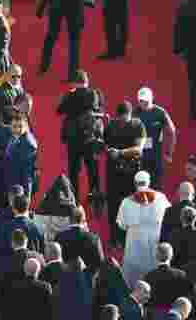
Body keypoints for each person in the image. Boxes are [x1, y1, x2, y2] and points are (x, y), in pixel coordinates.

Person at [37, 0, 93, 82]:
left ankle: (44, 66)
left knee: (51, 35)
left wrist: (43, 5)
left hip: (55, 6)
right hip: (73, 8)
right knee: (74, 41)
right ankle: (72, 74)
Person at [103, 101, 147, 246]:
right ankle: (115, 238)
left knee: (131, 204)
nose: (123, 123)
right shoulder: (110, 126)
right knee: (113, 206)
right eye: (120, 120)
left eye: (125, 120)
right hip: (114, 172)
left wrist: (120, 153)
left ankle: (128, 237)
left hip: (131, 172)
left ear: (130, 115)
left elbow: (139, 149)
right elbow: (105, 145)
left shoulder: (138, 125)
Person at [57, 70, 105, 201]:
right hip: (91, 137)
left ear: (74, 83)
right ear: (86, 81)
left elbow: (59, 110)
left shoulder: (70, 95)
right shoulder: (95, 93)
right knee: (92, 168)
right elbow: (99, 109)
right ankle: (94, 195)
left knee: (73, 170)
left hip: (74, 139)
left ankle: (74, 197)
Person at [117, 171, 171, 287]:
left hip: (134, 248)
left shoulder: (126, 202)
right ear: (149, 182)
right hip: (154, 246)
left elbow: (121, 225)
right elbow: (169, 218)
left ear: (135, 183)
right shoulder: (161, 198)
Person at [132, 87, 177, 189]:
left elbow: (172, 132)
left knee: (157, 187)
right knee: (140, 187)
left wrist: (169, 151)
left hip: (156, 157)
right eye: (141, 101)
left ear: (151, 99)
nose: (143, 104)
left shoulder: (160, 112)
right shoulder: (134, 113)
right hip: (140, 158)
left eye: (146, 101)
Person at [0, 112, 40, 211]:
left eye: (20, 126)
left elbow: (28, 175)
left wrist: (25, 199)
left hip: (18, 193)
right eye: (14, 126)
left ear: (26, 126)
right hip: (8, 188)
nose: (17, 129)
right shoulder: (14, 137)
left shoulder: (28, 144)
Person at [54, 205, 105, 278]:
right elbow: (100, 263)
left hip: (66, 280)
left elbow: (57, 263)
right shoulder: (94, 238)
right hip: (89, 282)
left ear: (69, 219)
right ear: (82, 219)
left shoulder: (59, 237)